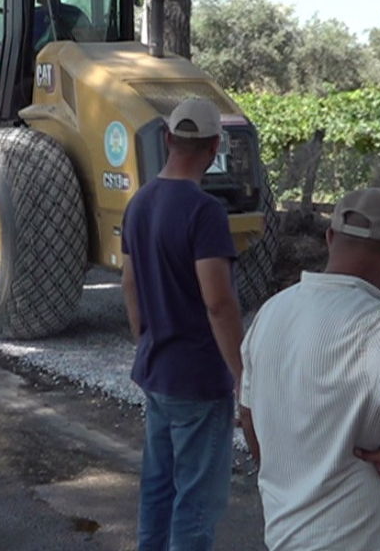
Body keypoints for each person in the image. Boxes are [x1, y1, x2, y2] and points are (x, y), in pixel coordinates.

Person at [239, 188, 380, 551]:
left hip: (287, 537)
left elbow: (249, 411)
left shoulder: (271, 312)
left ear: (330, 236)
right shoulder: (379, 325)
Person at [121, 97, 244, 551]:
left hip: (158, 370)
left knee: (158, 488)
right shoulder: (205, 211)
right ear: (214, 147)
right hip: (198, 379)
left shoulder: (139, 204)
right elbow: (218, 303)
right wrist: (241, 372)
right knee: (195, 503)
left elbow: (130, 285)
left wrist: (146, 343)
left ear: (168, 139)